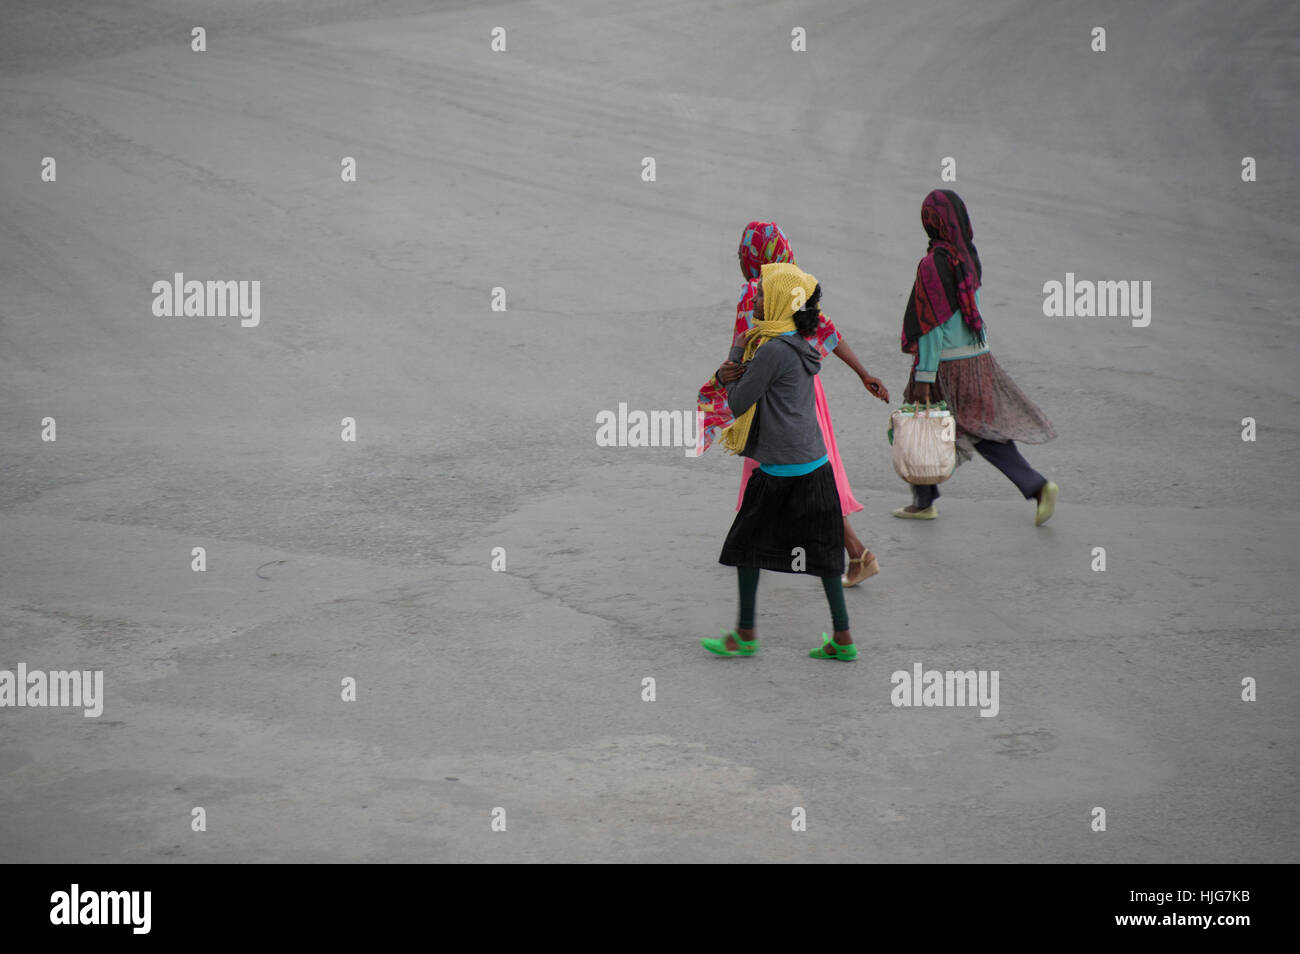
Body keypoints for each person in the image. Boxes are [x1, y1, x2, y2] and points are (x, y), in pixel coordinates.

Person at [697, 222, 889, 587]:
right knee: (803, 472)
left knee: (785, 476)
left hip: (766, 394)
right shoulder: (795, 284)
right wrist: (863, 374)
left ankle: (853, 552)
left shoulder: (757, 291)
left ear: (754, 255)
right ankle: (768, 550)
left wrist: (726, 381)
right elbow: (826, 330)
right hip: (803, 389)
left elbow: (742, 339)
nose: (739, 259)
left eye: (742, 253)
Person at [701, 263, 857, 661]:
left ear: (777, 301)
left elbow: (737, 403)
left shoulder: (771, 351)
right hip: (816, 464)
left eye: (761, 294)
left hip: (778, 470)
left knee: (744, 548)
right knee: (824, 556)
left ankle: (745, 635)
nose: (754, 298)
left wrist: (727, 372)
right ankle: (843, 639)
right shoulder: (800, 341)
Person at [895, 190, 1059, 524]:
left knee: (920, 421)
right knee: (981, 429)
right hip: (978, 357)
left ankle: (924, 502)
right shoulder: (967, 255)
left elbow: (932, 325)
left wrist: (925, 376)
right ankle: (1036, 486)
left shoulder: (933, 264)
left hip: (947, 364)